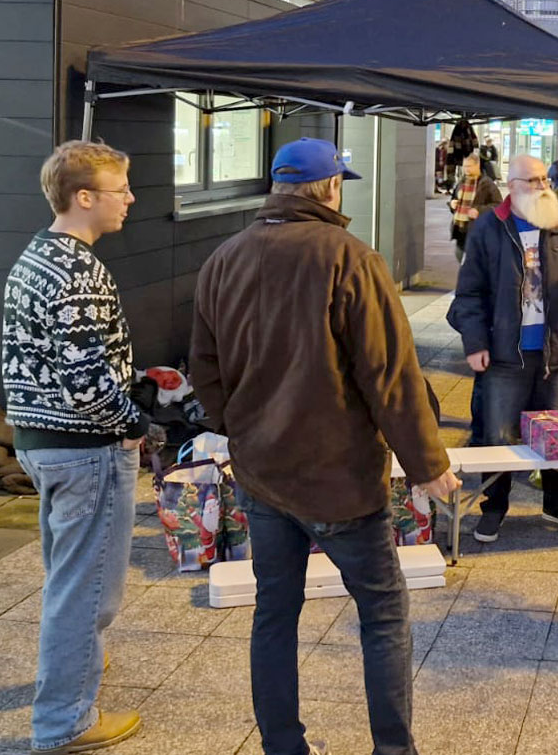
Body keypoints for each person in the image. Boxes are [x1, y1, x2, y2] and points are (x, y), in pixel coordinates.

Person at [191, 138, 460, 755]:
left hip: (262, 474)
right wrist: (429, 464)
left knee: (274, 614)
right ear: (331, 189)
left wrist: (241, 430)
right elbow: (389, 375)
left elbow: (204, 369)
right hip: (338, 480)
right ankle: (394, 750)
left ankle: (284, 747)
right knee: (384, 615)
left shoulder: (223, 259)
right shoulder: (351, 259)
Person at [2, 140, 147, 754]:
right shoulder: (78, 270)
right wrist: (137, 420)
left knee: (70, 580)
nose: (130, 201)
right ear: (84, 198)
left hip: (42, 442)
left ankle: (72, 671)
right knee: (86, 591)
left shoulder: (36, 256)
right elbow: (88, 383)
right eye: (120, 191)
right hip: (86, 447)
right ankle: (66, 721)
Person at [449, 153, 558, 543]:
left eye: (545, 179)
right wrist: (474, 342)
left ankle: (557, 503)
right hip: (505, 355)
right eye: (534, 181)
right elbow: (468, 294)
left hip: (552, 354)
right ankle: (494, 507)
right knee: (497, 435)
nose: (543, 187)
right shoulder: (491, 227)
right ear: (513, 187)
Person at [448, 153, 502, 263]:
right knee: (460, 255)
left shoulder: (486, 183)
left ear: (477, 166)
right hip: (460, 229)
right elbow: (454, 200)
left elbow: (498, 205)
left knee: (473, 262)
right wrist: (452, 204)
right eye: (464, 166)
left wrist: (479, 211)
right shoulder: (461, 183)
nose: (466, 169)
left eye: (469, 166)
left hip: (477, 230)